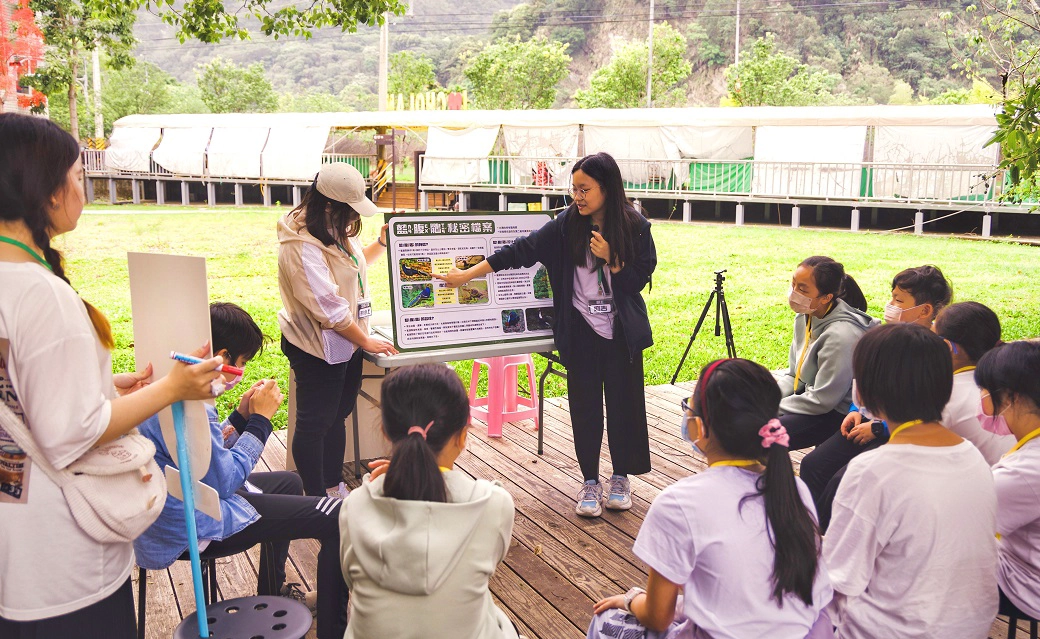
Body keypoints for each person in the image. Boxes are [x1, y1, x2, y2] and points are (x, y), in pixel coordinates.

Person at [0, 113, 221, 637]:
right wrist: (174, 387)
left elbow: (23, 392)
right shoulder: (42, 294)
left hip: (17, 543)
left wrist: (102, 385)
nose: (83, 189)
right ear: (47, 191)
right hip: (67, 564)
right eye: (77, 177)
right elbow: (70, 434)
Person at [436, 152, 657, 517]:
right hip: (581, 332)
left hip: (621, 335)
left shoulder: (635, 227)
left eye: (585, 189)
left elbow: (637, 281)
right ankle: (589, 481)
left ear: (607, 188)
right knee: (584, 408)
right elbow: (519, 251)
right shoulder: (566, 224)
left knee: (624, 406)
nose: (578, 197)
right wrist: (467, 275)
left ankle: (620, 477)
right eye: (574, 189)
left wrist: (613, 259)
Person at [133, 302, 348, 639]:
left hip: (173, 509)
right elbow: (225, 479)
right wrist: (261, 421)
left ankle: (273, 595)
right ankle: (334, 631)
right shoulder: (195, 404)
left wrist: (241, 416)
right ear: (222, 356)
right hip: (195, 524)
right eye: (243, 362)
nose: (242, 370)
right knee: (336, 514)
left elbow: (202, 457)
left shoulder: (162, 387)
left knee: (289, 483)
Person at [587, 358, 833, 639]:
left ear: (701, 428)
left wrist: (630, 599)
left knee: (606, 620)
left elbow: (657, 616)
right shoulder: (796, 489)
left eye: (689, 408)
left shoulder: (679, 503)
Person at [824, 323, 997, 639]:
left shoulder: (873, 471)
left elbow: (838, 581)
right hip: (970, 626)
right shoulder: (971, 455)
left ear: (867, 389)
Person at [339, 364, 518, 639]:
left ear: (386, 432)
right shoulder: (494, 505)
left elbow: (352, 580)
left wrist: (404, 473)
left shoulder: (355, 507)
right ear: (462, 436)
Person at [277, 162, 397, 500]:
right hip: (317, 347)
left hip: (347, 343)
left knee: (338, 416)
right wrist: (367, 340)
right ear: (329, 205)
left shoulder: (331, 228)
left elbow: (354, 266)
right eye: (350, 211)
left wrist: (381, 243)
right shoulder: (300, 246)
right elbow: (330, 311)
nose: (353, 219)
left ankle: (333, 485)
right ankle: (315, 498)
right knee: (316, 423)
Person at [799, 265, 952, 507]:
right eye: (892, 296)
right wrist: (853, 411)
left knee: (843, 482)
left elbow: (924, 409)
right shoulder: (886, 337)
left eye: (898, 300)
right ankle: (812, 528)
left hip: (892, 432)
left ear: (924, 310)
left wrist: (879, 428)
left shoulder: (934, 352)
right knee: (812, 466)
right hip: (862, 422)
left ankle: (829, 534)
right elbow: (862, 382)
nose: (890, 304)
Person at [774, 256, 877, 450]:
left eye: (802, 289)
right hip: (811, 398)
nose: (793, 293)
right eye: (793, 284)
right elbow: (794, 375)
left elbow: (823, 401)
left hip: (837, 412)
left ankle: (776, 480)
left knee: (762, 434)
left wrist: (769, 409)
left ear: (826, 297)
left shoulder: (841, 335)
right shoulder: (806, 316)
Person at [976, 340, 1040, 621]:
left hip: (1026, 586)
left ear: (1011, 397)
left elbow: (963, 525)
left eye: (984, 390)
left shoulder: (1023, 473)